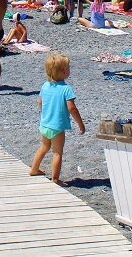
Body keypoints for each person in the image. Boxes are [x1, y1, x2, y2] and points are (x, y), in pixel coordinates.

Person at [29, 53, 85, 185]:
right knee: (57, 152)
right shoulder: (66, 89)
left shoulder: (45, 86)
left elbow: (40, 102)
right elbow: (72, 108)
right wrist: (80, 124)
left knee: (44, 146)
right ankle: (55, 179)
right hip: (57, 126)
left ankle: (34, 169)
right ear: (64, 72)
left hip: (45, 124)